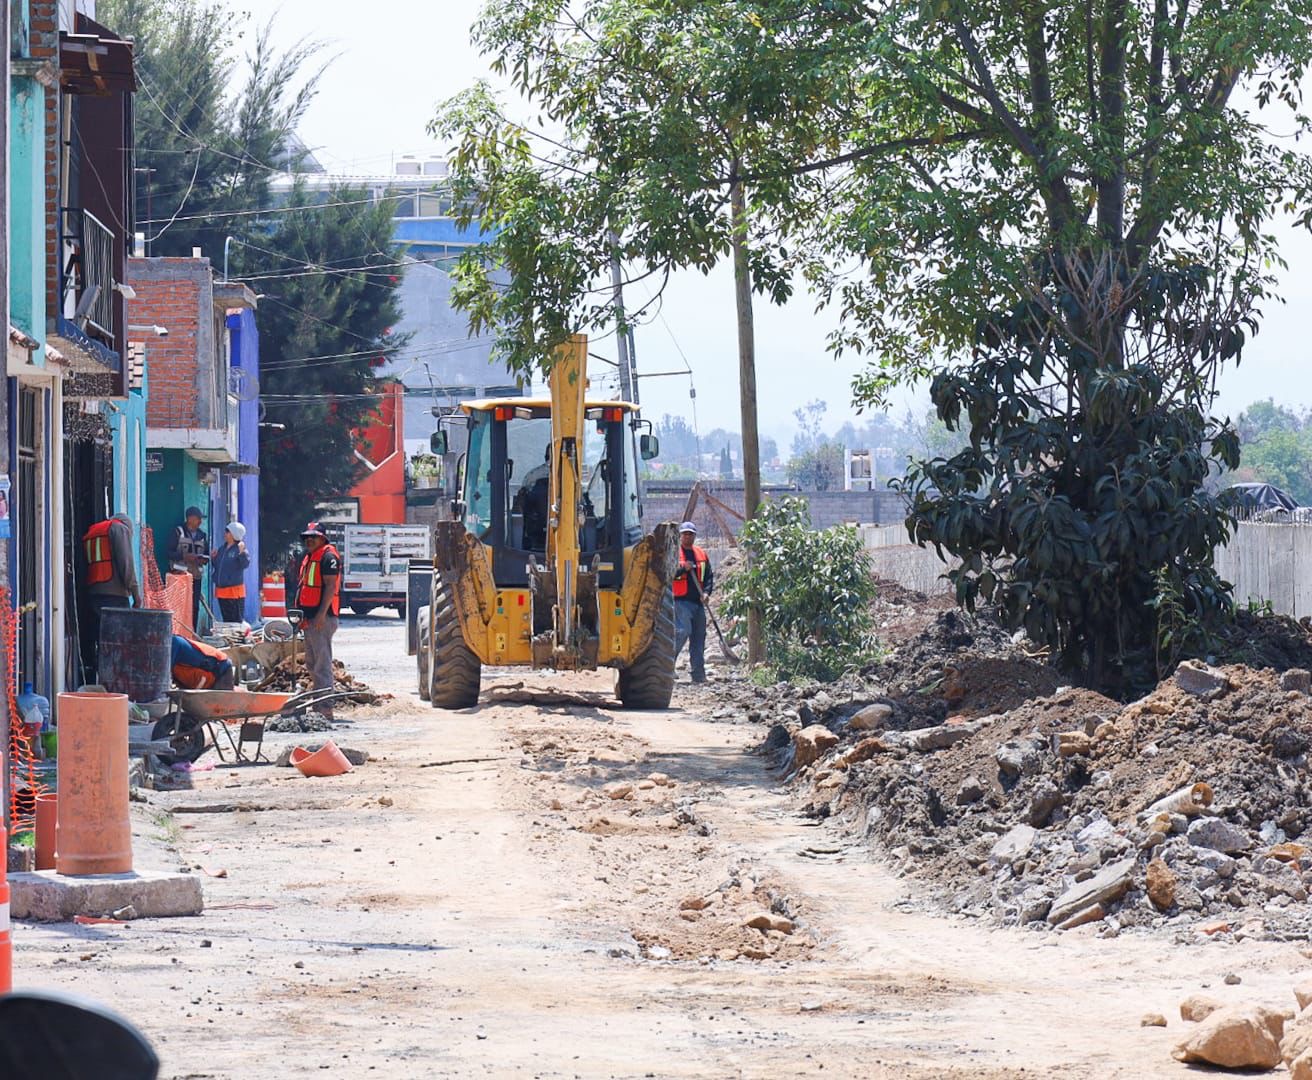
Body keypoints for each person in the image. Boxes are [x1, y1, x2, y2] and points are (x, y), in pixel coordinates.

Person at [82, 512, 143, 681]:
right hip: (115, 596)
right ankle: (116, 683)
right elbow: (127, 565)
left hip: (94, 594)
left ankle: (101, 679)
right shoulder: (120, 529)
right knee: (117, 643)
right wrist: (136, 594)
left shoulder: (93, 531)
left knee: (101, 642)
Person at [295, 522, 341, 719]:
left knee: (322, 662)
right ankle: (317, 703)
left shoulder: (328, 557)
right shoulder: (310, 556)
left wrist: (321, 614)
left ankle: (325, 707)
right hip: (310, 618)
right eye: (307, 537)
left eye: (313, 536)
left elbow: (330, 587)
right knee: (312, 662)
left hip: (322, 618)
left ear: (322, 538)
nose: (309, 540)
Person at [672, 520, 713, 684]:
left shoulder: (701, 554)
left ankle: (698, 674)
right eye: (685, 534)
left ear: (695, 535)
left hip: (698, 602)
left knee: (699, 637)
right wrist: (683, 568)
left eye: (691, 534)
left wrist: (706, 593)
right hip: (681, 601)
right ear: (680, 536)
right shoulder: (674, 554)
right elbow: (667, 573)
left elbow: (709, 577)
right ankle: (667, 666)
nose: (688, 537)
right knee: (682, 631)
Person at [168, 506, 208, 629]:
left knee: (194, 606)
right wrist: (184, 556)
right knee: (180, 606)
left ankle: (192, 632)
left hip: (195, 576)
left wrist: (204, 559)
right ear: (189, 519)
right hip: (179, 577)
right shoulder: (177, 532)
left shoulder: (202, 535)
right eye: (198, 519)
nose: (200, 522)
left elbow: (205, 553)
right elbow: (168, 552)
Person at [210, 522, 251, 623]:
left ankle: (239, 639)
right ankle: (229, 639)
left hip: (234, 592)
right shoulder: (222, 549)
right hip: (222, 592)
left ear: (234, 534)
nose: (225, 533)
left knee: (236, 621)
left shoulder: (239, 548)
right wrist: (213, 558)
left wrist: (242, 553)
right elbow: (219, 566)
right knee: (227, 621)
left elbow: (245, 564)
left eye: (227, 531)